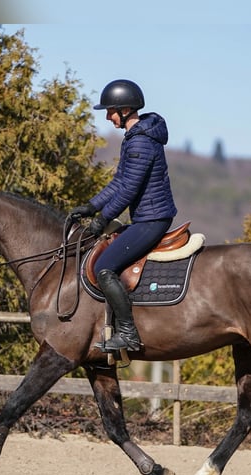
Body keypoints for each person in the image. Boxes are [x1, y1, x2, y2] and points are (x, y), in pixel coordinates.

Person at [70, 79, 177, 352]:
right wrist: (91, 206)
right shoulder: (135, 137)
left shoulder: (140, 141)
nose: (107, 116)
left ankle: (128, 334)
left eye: (110, 111)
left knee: (104, 268)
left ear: (125, 109)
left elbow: (128, 190)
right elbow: (119, 182)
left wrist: (102, 220)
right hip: (147, 217)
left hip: (152, 219)